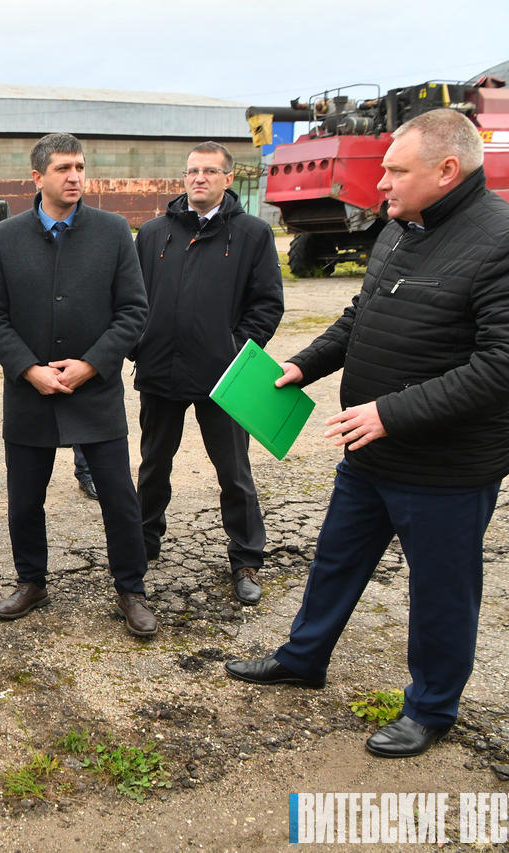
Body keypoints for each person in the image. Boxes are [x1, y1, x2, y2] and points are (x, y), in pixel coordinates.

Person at [225, 109, 509, 757]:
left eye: (397, 170)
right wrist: (303, 365)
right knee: (335, 562)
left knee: (440, 592)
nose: (382, 184)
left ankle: (431, 708)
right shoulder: (401, 227)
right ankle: (303, 657)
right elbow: (359, 314)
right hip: (369, 452)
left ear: (447, 170)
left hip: (446, 468)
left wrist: (390, 412)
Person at [0, 133, 155, 637]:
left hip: (95, 389)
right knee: (25, 498)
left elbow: (133, 311)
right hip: (29, 392)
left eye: (79, 167)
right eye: (62, 169)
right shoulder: (7, 238)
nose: (74, 176)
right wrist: (29, 369)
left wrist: (92, 364)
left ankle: (130, 588)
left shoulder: (114, 231)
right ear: (37, 177)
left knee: (119, 496)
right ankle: (32, 581)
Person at [132, 142, 284, 605]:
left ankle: (246, 557)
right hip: (160, 371)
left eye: (209, 171)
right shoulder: (155, 234)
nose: (199, 178)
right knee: (154, 463)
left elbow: (267, 305)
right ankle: (144, 541)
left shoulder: (253, 234)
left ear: (227, 179)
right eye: (192, 171)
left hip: (224, 378)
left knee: (233, 470)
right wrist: (140, 345)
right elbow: (132, 298)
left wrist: (234, 352)